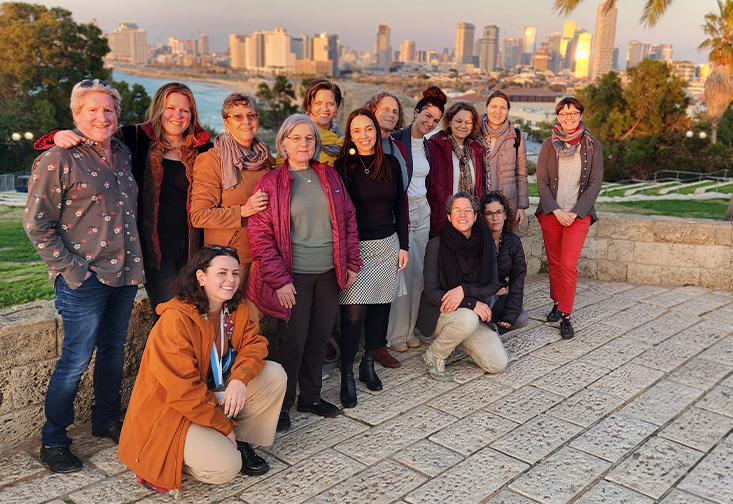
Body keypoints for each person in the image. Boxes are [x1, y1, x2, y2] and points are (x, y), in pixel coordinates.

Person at [24, 79, 145, 473]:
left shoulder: (124, 154)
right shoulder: (59, 157)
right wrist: (73, 271)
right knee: (75, 360)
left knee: (113, 350)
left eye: (108, 110)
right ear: (76, 115)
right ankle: (53, 439)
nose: (101, 116)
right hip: (84, 279)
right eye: (91, 110)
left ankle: (106, 418)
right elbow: (37, 224)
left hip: (125, 272)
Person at [33, 82, 211, 322]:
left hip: (194, 250)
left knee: (199, 318)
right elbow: (95, 135)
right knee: (172, 321)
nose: (177, 116)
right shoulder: (133, 137)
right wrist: (56, 135)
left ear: (192, 115)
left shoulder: (203, 148)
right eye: (171, 108)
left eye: (185, 110)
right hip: (155, 253)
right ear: (159, 109)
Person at [117, 245, 286, 495]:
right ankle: (167, 462)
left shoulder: (233, 308)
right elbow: (184, 392)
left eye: (235, 273)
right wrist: (224, 426)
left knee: (274, 375)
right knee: (227, 468)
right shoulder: (176, 321)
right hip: (173, 410)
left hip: (209, 396)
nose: (231, 280)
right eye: (222, 273)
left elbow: (255, 344)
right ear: (201, 277)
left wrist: (239, 379)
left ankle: (239, 441)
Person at [247, 114, 361, 429]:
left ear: (316, 143)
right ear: (283, 143)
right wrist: (280, 281)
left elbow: (348, 218)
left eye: (309, 138)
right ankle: (281, 404)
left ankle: (310, 397)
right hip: (292, 278)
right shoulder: (271, 182)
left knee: (319, 337)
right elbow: (259, 237)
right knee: (293, 342)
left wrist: (352, 262)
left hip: (328, 274)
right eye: (296, 138)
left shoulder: (329, 177)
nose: (303, 143)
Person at [335, 109, 409, 408]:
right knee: (353, 317)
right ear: (350, 136)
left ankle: (368, 365)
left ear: (377, 132)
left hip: (387, 246)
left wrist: (403, 245)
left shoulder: (390, 163)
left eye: (369, 129)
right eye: (357, 131)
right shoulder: (342, 167)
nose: (364, 136)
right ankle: (347, 375)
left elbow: (400, 208)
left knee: (381, 309)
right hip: (357, 249)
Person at [190, 93, 275, 322]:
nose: (246, 121)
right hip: (228, 261)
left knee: (251, 324)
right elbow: (198, 216)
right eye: (237, 116)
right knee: (223, 324)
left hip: (263, 256)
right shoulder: (212, 160)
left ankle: (249, 359)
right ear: (226, 123)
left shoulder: (265, 158)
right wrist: (243, 211)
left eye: (251, 115)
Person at [416, 193, 507, 382]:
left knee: (497, 364)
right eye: (457, 210)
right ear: (449, 217)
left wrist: (464, 290)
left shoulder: (486, 242)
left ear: (475, 216)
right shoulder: (436, 245)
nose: (462, 215)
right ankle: (435, 354)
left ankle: (456, 338)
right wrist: (471, 303)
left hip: (469, 315)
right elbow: (431, 292)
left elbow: (492, 285)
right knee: (467, 319)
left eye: (467, 210)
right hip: (442, 312)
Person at [385, 86, 447, 357]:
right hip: (404, 211)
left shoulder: (428, 145)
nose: (430, 122)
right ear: (416, 112)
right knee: (402, 274)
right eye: (427, 115)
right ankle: (394, 335)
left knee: (419, 274)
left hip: (423, 211)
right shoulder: (397, 140)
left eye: (436, 120)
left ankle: (409, 331)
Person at [536, 97, 603, 339]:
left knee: (568, 265)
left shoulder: (592, 146)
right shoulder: (547, 145)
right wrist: (555, 210)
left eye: (574, 113)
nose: (569, 118)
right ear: (557, 117)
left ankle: (565, 315)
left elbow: (595, 183)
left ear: (580, 115)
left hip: (578, 215)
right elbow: (541, 181)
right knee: (554, 263)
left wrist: (574, 212)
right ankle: (556, 301)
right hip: (551, 213)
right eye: (564, 114)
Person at [363, 91, 409, 368]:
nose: (391, 114)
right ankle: (357, 350)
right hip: (362, 232)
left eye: (395, 111)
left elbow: (401, 194)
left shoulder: (397, 147)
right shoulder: (359, 145)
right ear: (372, 110)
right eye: (385, 109)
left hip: (390, 229)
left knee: (384, 295)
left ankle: (378, 345)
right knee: (357, 299)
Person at [427, 102, 484, 238]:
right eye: (458, 121)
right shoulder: (433, 147)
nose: (463, 126)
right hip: (443, 218)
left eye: (468, 122)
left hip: (468, 219)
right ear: (449, 121)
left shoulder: (475, 150)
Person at [475, 90, 529, 226]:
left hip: (507, 204)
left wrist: (521, 207)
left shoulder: (515, 136)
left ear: (507, 111)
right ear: (486, 107)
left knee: (507, 243)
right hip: (479, 202)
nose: (498, 111)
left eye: (503, 108)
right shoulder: (474, 133)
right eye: (494, 106)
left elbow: (521, 174)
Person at [480, 192, 529, 335]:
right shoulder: (477, 240)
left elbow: (518, 278)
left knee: (521, 318)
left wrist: (511, 313)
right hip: (480, 292)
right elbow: (474, 272)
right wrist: (495, 285)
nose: (495, 217)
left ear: (506, 215)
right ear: (483, 217)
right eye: (489, 213)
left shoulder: (513, 241)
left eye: (499, 212)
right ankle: (482, 326)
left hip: (499, 295)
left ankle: (489, 325)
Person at [277, 79, 343, 167]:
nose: (325, 108)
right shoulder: (293, 133)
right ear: (308, 106)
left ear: (336, 106)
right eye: (318, 103)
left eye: (330, 103)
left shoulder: (343, 139)